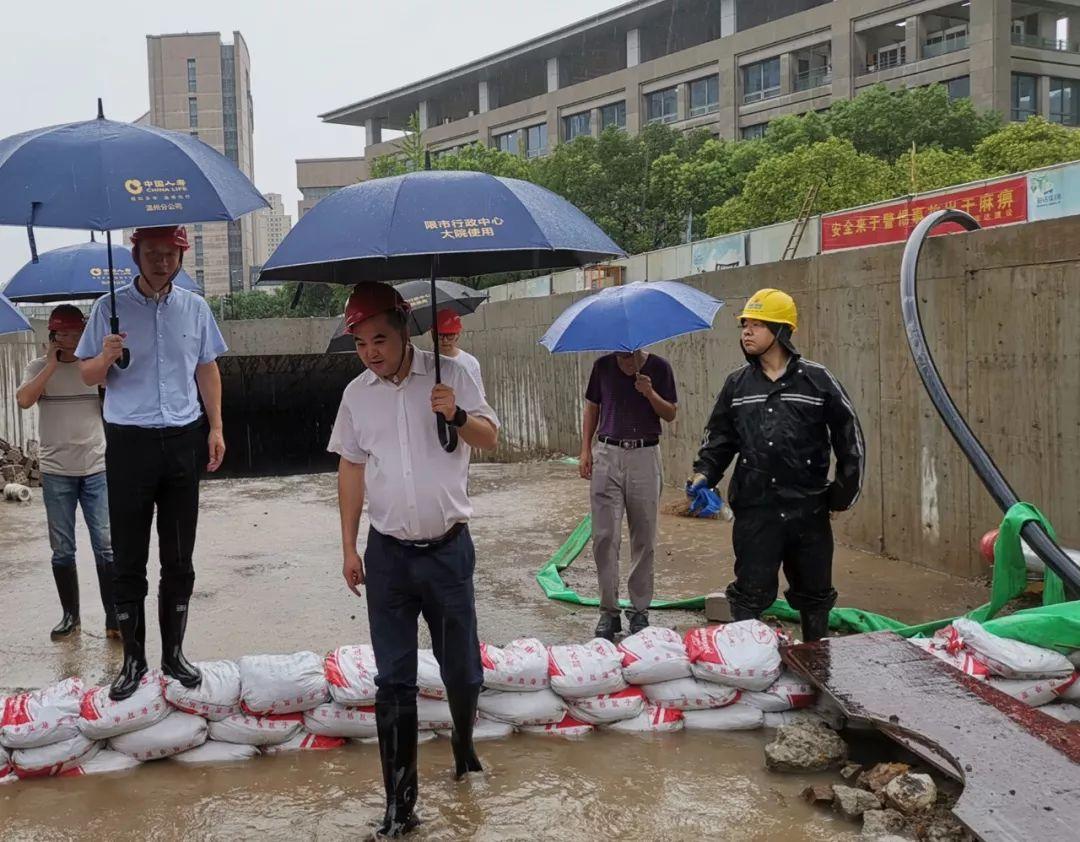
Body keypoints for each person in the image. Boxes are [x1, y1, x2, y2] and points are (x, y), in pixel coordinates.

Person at [329, 283, 499, 837]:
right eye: (360, 343)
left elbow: (490, 437)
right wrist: (348, 544)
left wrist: (455, 414)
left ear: (406, 328)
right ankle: (400, 805)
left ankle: (464, 746)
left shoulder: (452, 375)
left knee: (462, 670)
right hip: (389, 558)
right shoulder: (357, 395)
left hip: (449, 551)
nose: (371, 352)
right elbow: (351, 468)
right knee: (393, 681)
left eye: (380, 338)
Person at [76, 225, 228, 701]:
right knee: (128, 555)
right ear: (136, 255)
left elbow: (207, 367)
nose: (161, 261)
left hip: (183, 438)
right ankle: (133, 659)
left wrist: (217, 427)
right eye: (152, 253)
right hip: (129, 443)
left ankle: (174, 654)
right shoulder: (108, 309)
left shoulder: (195, 308)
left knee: (179, 555)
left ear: (181, 256)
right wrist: (104, 357)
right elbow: (86, 376)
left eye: (169, 253)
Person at [688, 288, 864, 642]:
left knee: (814, 593)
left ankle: (817, 662)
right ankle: (746, 657)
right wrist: (704, 473)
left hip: (808, 508)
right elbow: (720, 437)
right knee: (750, 591)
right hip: (756, 509)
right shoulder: (737, 385)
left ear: (781, 331)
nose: (746, 333)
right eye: (744, 326)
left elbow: (850, 439)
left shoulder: (817, 380)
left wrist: (841, 495)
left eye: (756, 325)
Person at [16, 305, 116, 640]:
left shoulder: (93, 369)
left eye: (77, 333)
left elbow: (115, 403)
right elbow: (25, 400)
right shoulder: (37, 367)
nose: (71, 340)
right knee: (62, 548)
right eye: (64, 334)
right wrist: (50, 366)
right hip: (57, 470)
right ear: (53, 336)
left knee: (105, 545)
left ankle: (113, 617)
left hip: (95, 468)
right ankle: (70, 616)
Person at [579, 347, 677, 641]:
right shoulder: (603, 366)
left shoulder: (659, 368)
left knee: (644, 536)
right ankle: (608, 612)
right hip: (607, 453)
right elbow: (592, 408)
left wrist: (649, 393)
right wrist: (585, 449)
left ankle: (639, 611)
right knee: (604, 536)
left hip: (645, 454)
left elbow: (670, 413)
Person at [436, 308, 485, 396]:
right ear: (433, 334)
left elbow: (479, 397)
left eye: (450, 335)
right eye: (440, 335)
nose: (445, 340)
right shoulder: (428, 363)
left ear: (458, 335)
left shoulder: (471, 362)